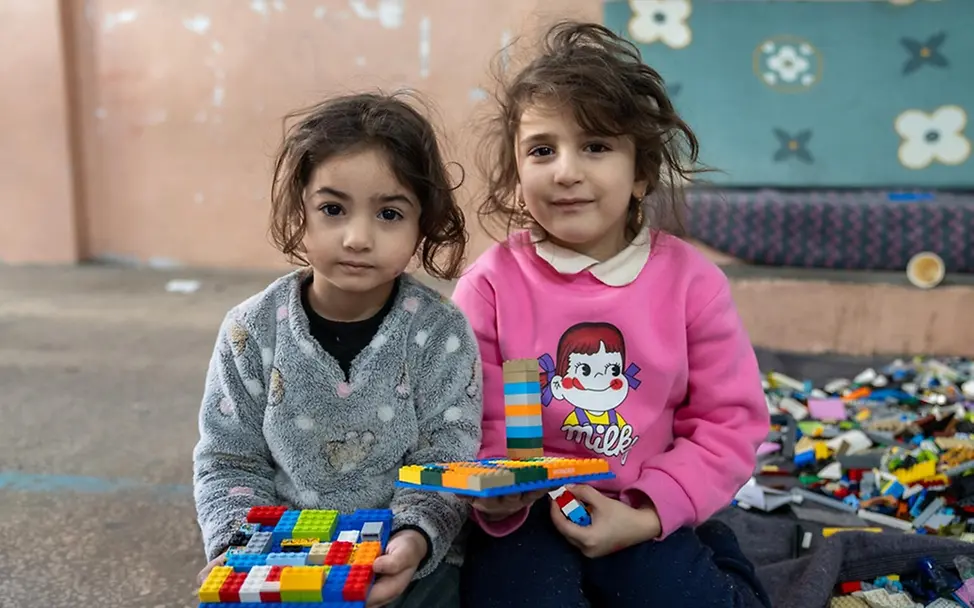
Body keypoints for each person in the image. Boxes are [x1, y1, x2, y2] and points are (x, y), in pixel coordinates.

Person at [452, 21, 773, 608]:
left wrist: (651, 513)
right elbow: (469, 416)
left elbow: (729, 424)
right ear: (518, 177)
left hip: (641, 507)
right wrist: (494, 487)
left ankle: (718, 549)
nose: (566, 171)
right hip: (529, 517)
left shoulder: (691, 284)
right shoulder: (490, 285)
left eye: (595, 146)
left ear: (641, 174)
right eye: (542, 150)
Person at [191, 91, 483, 608]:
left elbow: (447, 456)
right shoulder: (250, 330)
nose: (356, 237)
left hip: (407, 559)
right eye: (332, 208)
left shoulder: (442, 332)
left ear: (424, 223)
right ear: (299, 210)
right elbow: (229, 459)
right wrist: (240, 545)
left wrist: (414, 540)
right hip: (281, 553)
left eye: (389, 213)